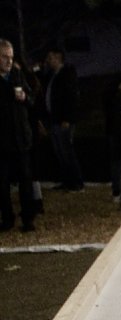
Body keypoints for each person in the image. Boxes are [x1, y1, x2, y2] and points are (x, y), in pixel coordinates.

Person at [0, 39, 36, 231]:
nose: (8, 61)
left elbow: (31, 100)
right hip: (3, 140)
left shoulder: (18, 74)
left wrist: (25, 98)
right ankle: (7, 218)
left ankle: (28, 218)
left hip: (21, 137)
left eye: (11, 57)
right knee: (3, 183)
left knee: (26, 180)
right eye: (4, 57)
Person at [43, 47, 84, 191]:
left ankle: (76, 182)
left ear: (58, 57)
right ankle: (67, 181)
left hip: (63, 120)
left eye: (51, 57)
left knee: (67, 151)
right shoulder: (53, 75)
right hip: (55, 119)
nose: (48, 61)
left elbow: (71, 98)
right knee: (60, 152)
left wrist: (67, 118)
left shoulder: (66, 74)